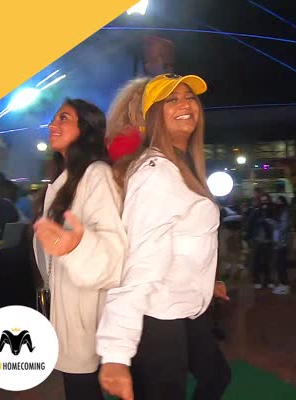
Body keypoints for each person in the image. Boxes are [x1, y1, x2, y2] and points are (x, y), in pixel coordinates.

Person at [98, 74, 231, 400]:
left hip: (180, 306)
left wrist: (205, 282)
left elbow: (184, 240)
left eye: (190, 97)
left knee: (216, 376)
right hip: (157, 315)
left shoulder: (182, 166)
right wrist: (116, 353)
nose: (185, 104)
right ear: (154, 115)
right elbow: (139, 264)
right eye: (171, 99)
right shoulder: (156, 174)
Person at [33, 98, 127, 400]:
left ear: (86, 128)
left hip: (84, 309)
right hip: (66, 305)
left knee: (81, 389)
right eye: (53, 119)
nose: (52, 125)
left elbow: (114, 251)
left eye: (63, 118)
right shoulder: (63, 180)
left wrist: (75, 247)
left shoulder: (97, 174)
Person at [247, 193, 275, 289]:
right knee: (257, 261)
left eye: (266, 200)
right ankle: (257, 280)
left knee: (268, 261)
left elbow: (274, 223)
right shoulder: (255, 210)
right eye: (262, 201)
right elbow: (250, 223)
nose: (264, 203)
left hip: (267, 239)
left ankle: (268, 279)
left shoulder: (271, 210)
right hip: (257, 239)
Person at [272, 195, 290, 295]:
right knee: (279, 264)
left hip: (282, 243)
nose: (278, 204)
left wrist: (274, 224)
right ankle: (282, 284)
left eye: (279, 202)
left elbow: (283, 228)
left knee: (281, 265)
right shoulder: (281, 213)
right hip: (279, 243)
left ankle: (284, 285)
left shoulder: (284, 213)